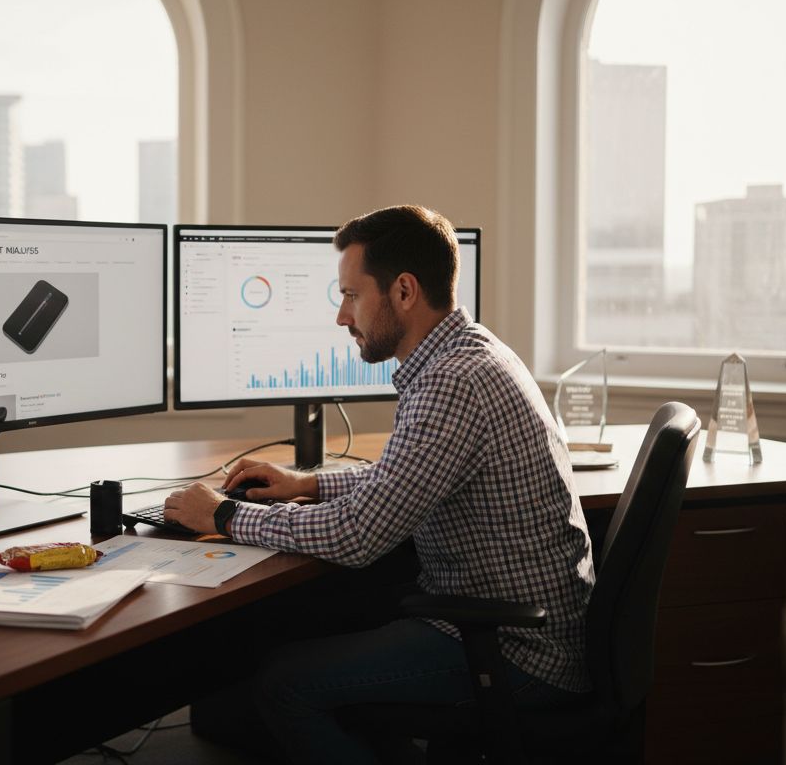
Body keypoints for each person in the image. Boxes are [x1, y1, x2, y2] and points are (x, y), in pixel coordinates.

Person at [164, 205, 594, 764]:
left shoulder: (452, 383)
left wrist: (221, 515)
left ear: (404, 291)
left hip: (516, 653)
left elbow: (356, 537)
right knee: (318, 628)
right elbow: (402, 480)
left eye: (350, 295)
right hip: (527, 629)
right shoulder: (469, 353)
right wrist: (306, 486)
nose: (342, 316)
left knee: (283, 684)